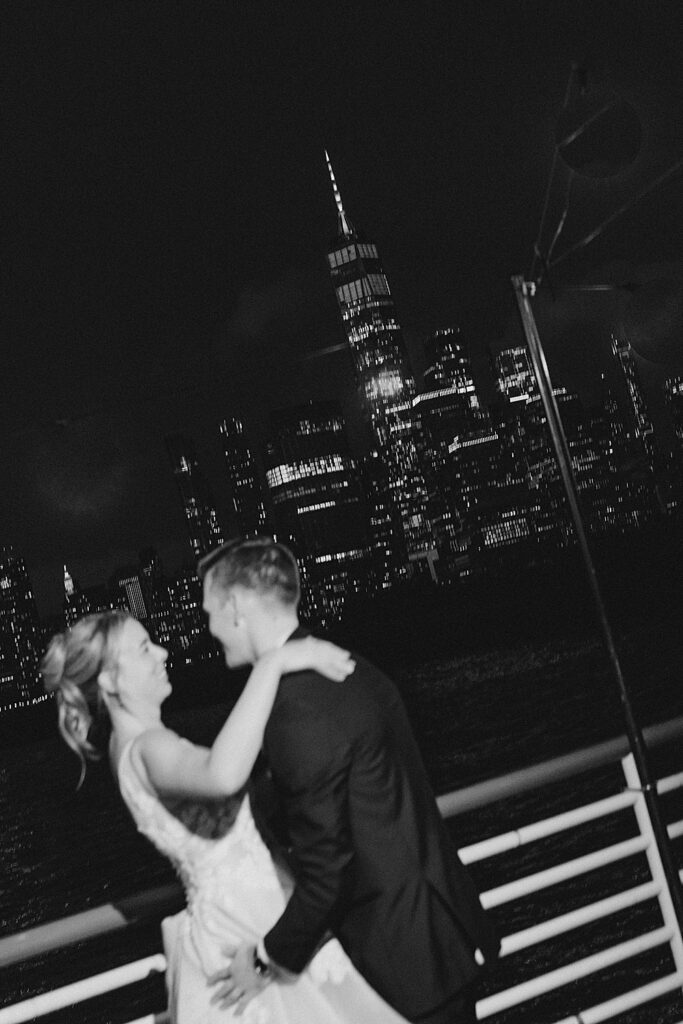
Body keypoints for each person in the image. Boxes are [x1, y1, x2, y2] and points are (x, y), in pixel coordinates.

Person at [42, 610, 409, 1024]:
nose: (162, 653)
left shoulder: (129, 748)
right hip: (246, 927)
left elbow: (239, 796)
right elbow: (222, 774)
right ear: (109, 681)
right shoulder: (149, 748)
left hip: (247, 918)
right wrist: (273, 664)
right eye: (144, 648)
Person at [200, 537, 500, 1024]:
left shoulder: (297, 709)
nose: (209, 627)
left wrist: (262, 960)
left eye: (209, 610)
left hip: (397, 967)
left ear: (235, 606)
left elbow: (328, 872)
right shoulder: (354, 668)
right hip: (435, 932)